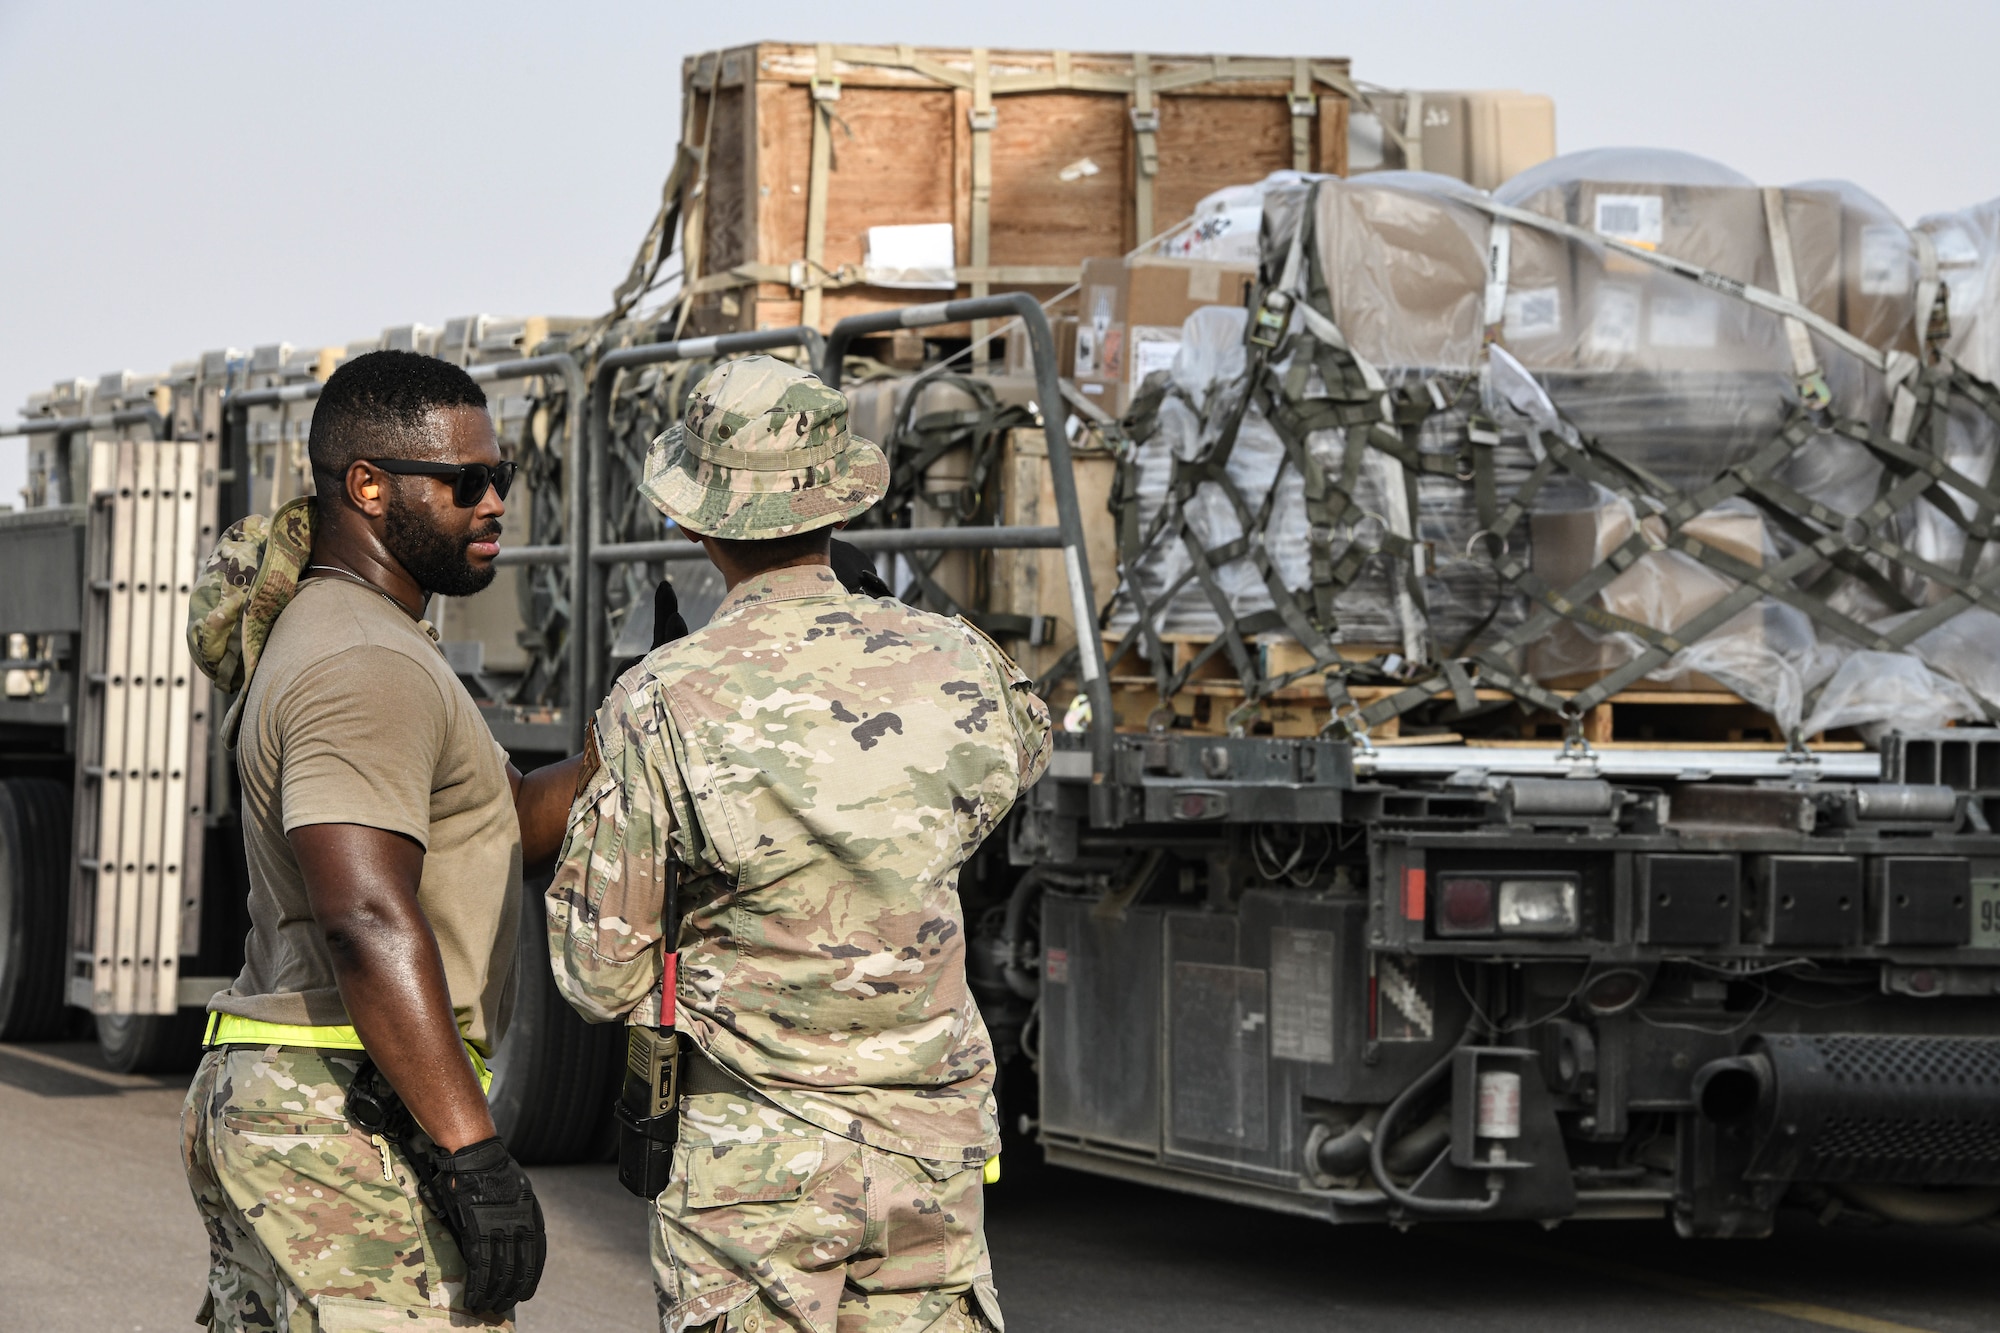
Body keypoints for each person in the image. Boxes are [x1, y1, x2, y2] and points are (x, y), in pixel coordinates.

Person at [547, 355, 1051, 1333]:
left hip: (753, 1175)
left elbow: (596, 973)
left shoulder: (663, 700)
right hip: (925, 1159)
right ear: (838, 502)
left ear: (694, 520)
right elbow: (1008, 772)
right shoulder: (957, 662)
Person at [181, 349, 585, 1330]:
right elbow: (364, 913)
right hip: (345, 1111)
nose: (493, 503)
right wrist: (470, 1149)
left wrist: (642, 723)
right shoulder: (363, 659)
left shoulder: (369, 634)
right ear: (366, 485)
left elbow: (503, 826)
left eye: (503, 478)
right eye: (465, 482)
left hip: (310, 1094)